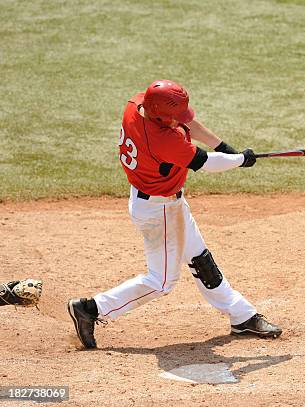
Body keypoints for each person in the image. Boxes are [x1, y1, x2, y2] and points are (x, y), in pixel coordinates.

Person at [67, 80, 281, 349]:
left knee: (200, 259)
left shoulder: (137, 104)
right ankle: (92, 309)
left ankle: (242, 315)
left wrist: (223, 145)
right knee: (162, 281)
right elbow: (205, 163)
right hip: (160, 210)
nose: (179, 121)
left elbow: (188, 124)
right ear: (160, 114)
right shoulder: (161, 139)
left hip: (160, 201)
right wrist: (240, 159)